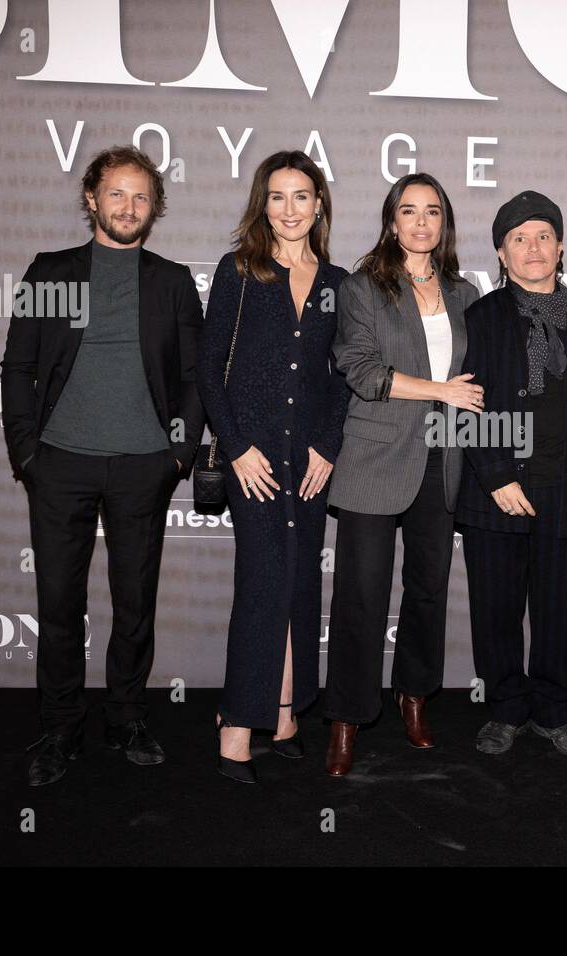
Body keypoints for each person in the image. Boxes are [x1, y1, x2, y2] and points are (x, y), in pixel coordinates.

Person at [0, 145, 205, 787]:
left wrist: (178, 453)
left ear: (155, 207)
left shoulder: (171, 282)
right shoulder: (51, 270)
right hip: (60, 465)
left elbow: (195, 377)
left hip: (145, 464)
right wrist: (28, 453)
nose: (128, 206)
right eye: (116, 193)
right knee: (59, 602)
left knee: (134, 601)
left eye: (141, 196)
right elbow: (19, 367)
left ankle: (126, 717)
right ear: (92, 199)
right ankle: (62, 727)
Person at [458, 190, 567, 759]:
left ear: (560, 247)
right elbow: (466, 403)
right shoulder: (480, 318)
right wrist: (496, 475)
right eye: (518, 239)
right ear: (501, 256)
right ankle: (506, 709)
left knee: (559, 609)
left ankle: (556, 710)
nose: (532, 248)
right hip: (497, 492)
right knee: (495, 609)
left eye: (542, 236)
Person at [198, 151, 349, 784]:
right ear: (264, 203)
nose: (290, 210)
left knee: (298, 586)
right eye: (278, 197)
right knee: (262, 584)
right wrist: (234, 447)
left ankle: (284, 715)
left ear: (319, 205)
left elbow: (342, 373)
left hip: (308, 459)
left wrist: (328, 444)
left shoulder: (339, 282)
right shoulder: (239, 271)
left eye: (302, 197)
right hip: (253, 455)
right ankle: (238, 725)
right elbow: (208, 369)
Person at [323, 173, 481, 777]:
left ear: (444, 224)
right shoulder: (364, 288)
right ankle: (346, 718)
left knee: (427, 590)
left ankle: (414, 697)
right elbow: (361, 370)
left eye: (432, 212)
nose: (420, 222)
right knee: (360, 595)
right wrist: (440, 389)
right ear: (392, 221)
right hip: (373, 457)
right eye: (408, 211)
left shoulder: (465, 295)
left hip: (443, 460)